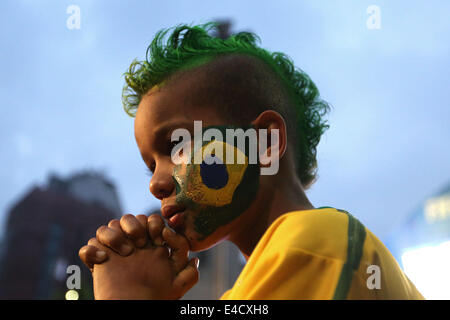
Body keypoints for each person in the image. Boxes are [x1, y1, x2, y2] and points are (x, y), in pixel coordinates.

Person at [78, 22, 424, 300]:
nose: (156, 184)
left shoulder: (310, 244)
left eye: (175, 145)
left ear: (266, 141)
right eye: (151, 165)